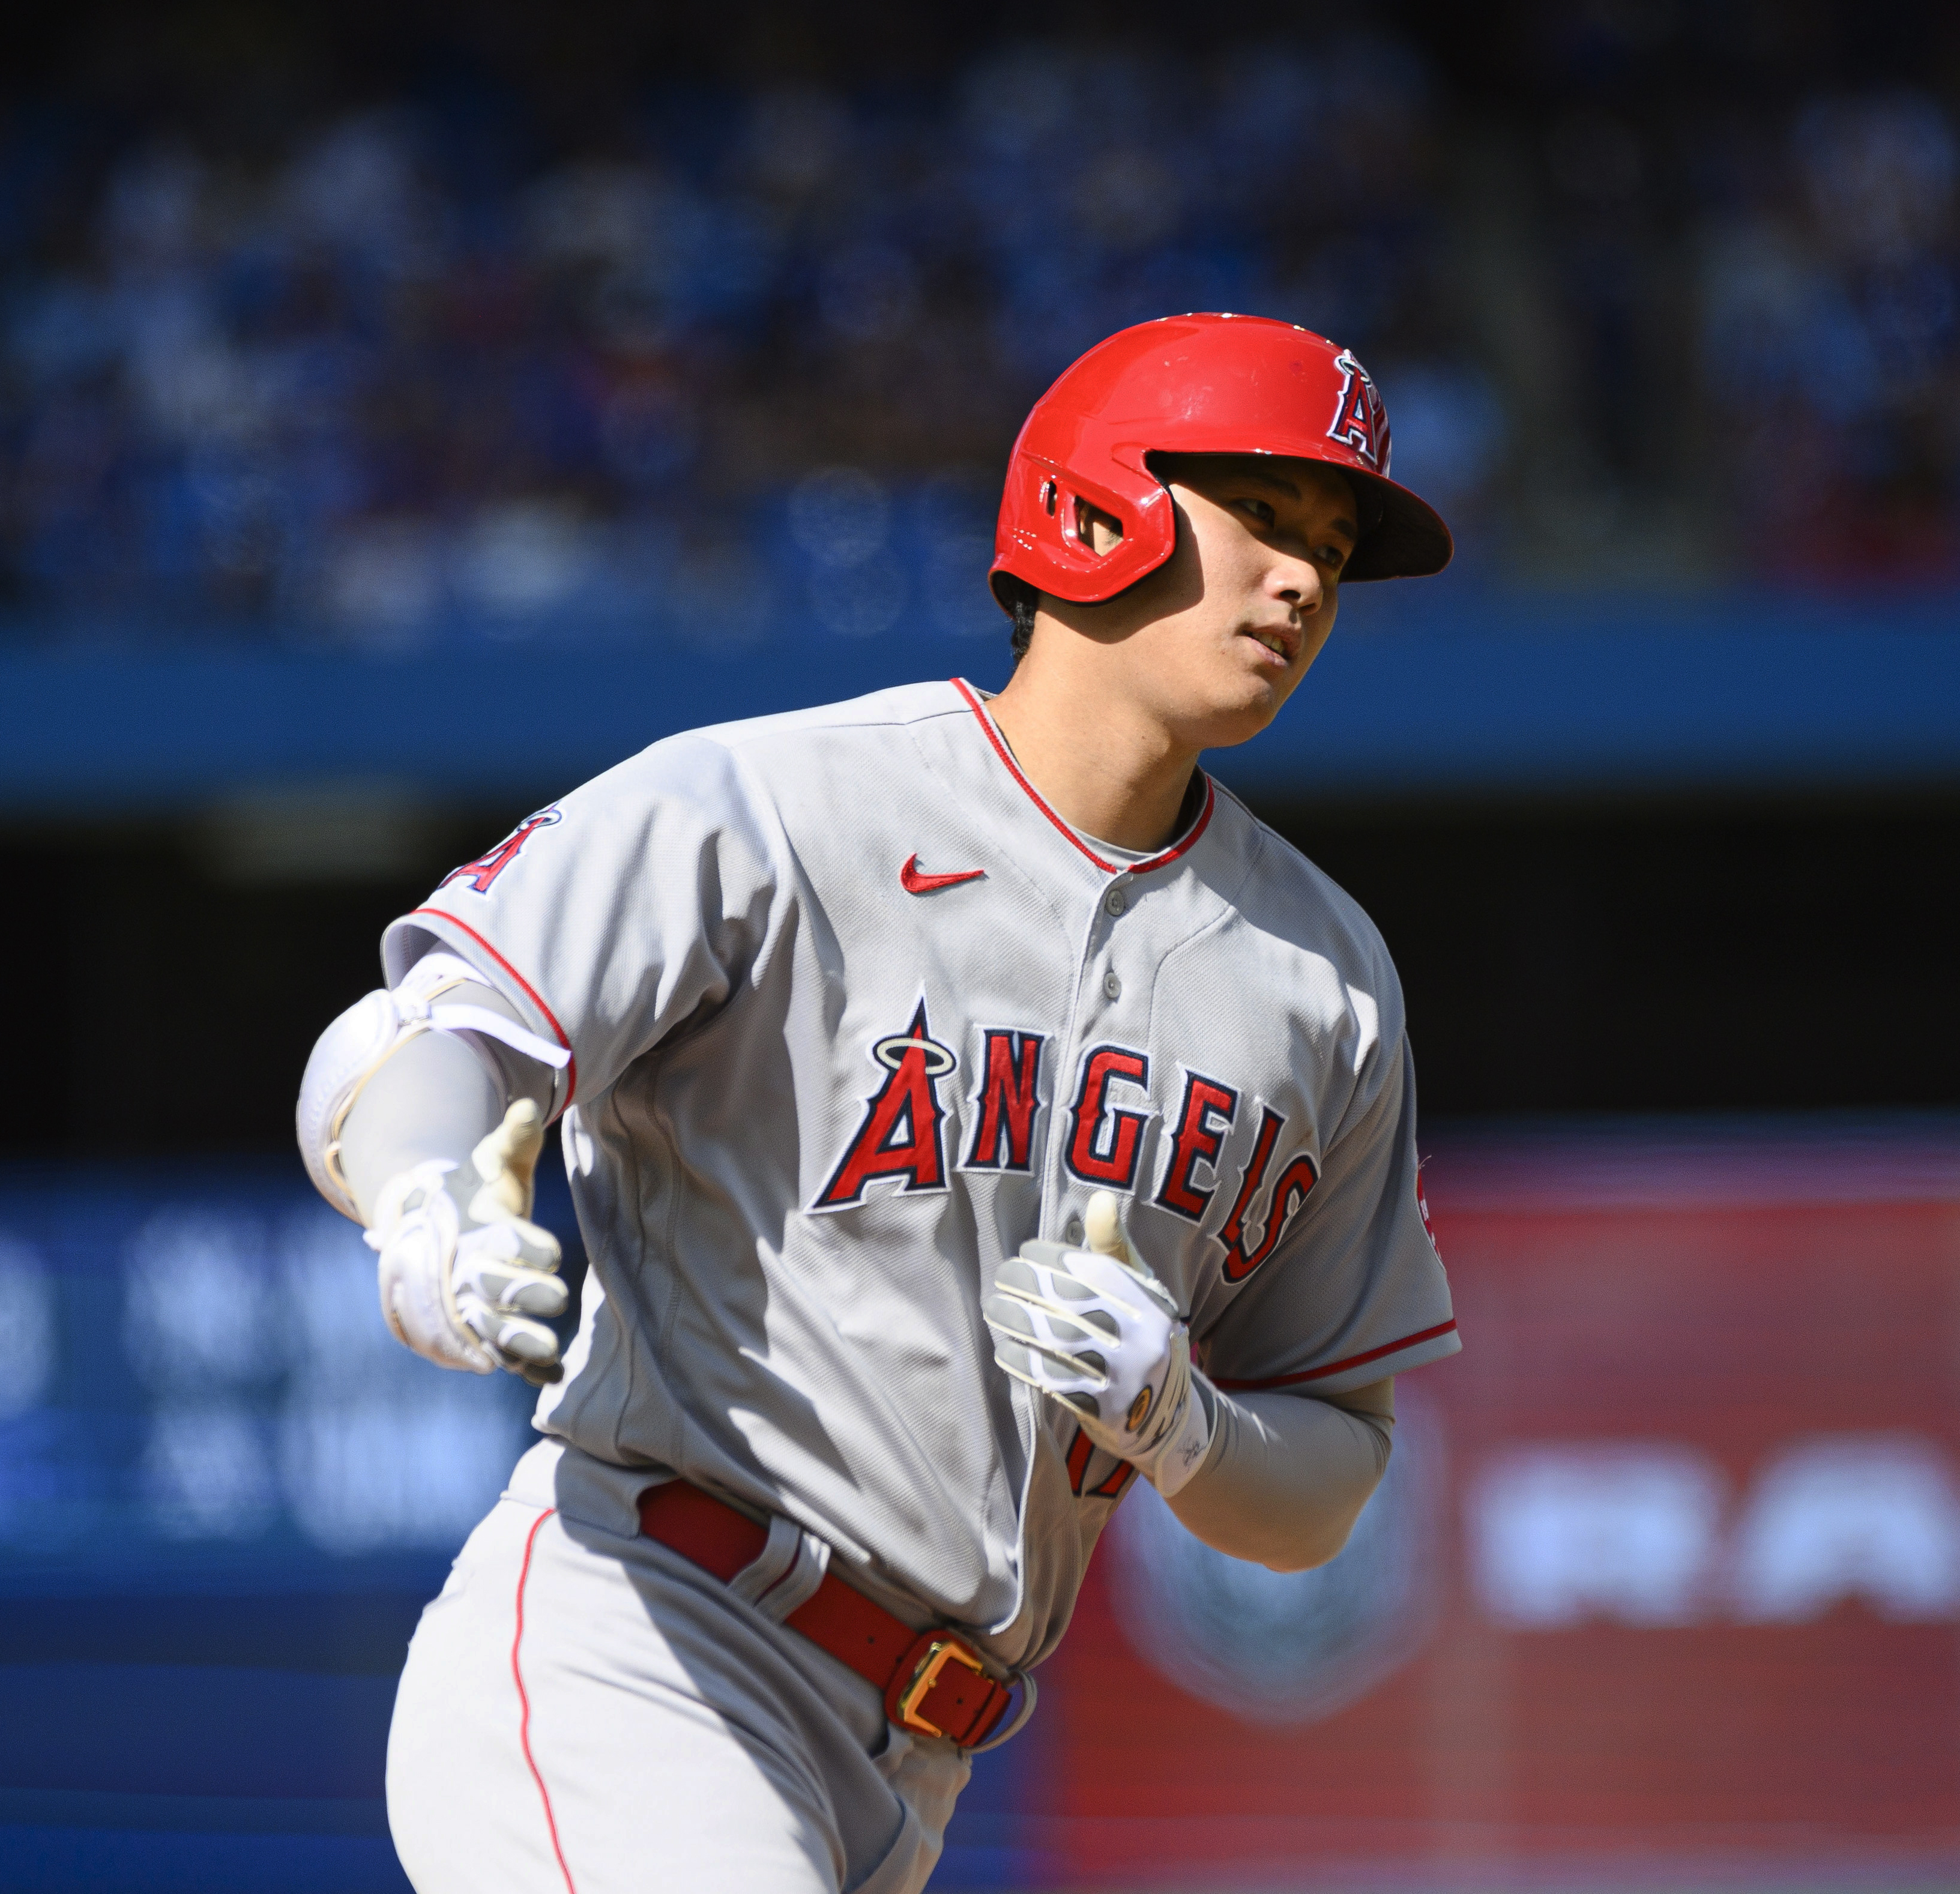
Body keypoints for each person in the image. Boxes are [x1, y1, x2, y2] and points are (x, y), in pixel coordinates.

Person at [294, 312, 1461, 1894]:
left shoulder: (1323, 977)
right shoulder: (778, 805)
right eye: (1263, 515)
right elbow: (422, 1029)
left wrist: (1187, 1419)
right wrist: (426, 1199)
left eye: (1333, 545)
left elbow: (1328, 1474)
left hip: (921, 1756)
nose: (1306, 581)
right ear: (1101, 503)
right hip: (644, 1645)